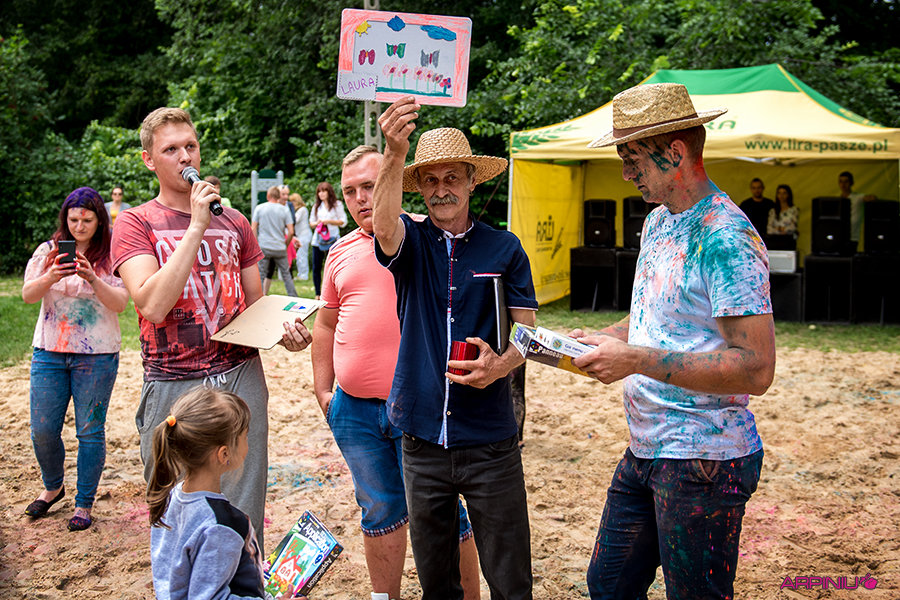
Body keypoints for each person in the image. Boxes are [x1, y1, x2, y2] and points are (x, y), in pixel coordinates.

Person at [576, 83, 775, 599]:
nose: (626, 173)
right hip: (647, 447)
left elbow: (756, 368)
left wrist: (634, 359)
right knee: (608, 586)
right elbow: (655, 319)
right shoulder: (659, 221)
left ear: (677, 152)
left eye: (632, 159)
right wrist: (598, 339)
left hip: (704, 457)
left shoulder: (727, 237)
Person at [111, 107, 311, 548]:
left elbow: (256, 306)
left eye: (191, 146)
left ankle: (243, 577)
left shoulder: (235, 221)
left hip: (240, 373)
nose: (185, 156)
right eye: (171, 149)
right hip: (172, 380)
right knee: (171, 503)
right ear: (149, 160)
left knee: (243, 498)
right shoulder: (134, 222)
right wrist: (197, 225)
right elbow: (153, 305)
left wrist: (286, 332)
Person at [374, 98, 539, 599]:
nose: (441, 189)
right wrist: (393, 153)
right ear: (420, 188)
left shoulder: (505, 248)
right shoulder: (411, 241)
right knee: (436, 582)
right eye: (430, 180)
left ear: (471, 182)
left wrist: (501, 366)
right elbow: (383, 227)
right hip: (422, 435)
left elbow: (528, 332)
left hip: (490, 438)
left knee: (510, 579)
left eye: (452, 178)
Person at [313, 145, 481, 600]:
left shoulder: (428, 236)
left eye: (370, 186)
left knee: (444, 512)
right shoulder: (339, 251)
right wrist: (324, 390)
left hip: (421, 407)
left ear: (393, 183)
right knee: (378, 510)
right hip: (354, 409)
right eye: (350, 191)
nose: (360, 199)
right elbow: (326, 322)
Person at [22, 186, 130, 531]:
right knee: (42, 430)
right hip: (49, 351)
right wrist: (51, 275)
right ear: (64, 219)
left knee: (89, 431)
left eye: (87, 220)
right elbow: (27, 295)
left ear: (100, 221)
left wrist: (92, 277)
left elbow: (121, 303)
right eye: (73, 220)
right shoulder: (48, 251)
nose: (79, 227)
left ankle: (84, 502)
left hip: (97, 354)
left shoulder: (112, 253)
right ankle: (53, 486)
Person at [147, 387, 305, 599]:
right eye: (244, 436)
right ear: (224, 454)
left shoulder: (170, 498)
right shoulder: (221, 526)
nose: (248, 442)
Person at [252, 185, 297, 297]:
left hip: (264, 246)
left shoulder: (259, 208)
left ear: (268, 196)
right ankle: (293, 297)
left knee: (261, 274)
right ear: (278, 196)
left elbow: (253, 228)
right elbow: (291, 231)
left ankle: (259, 298)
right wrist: (286, 244)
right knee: (286, 275)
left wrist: (256, 245)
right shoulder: (284, 210)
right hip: (280, 247)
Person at [308, 181, 346, 299]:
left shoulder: (337, 205)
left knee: (333, 266)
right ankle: (318, 293)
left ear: (329, 192)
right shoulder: (316, 206)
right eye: (319, 191)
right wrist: (318, 223)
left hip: (333, 240)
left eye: (324, 191)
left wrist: (328, 221)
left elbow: (343, 222)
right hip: (318, 240)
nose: (321, 194)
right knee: (316, 267)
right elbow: (311, 223)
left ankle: (335, 292)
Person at [838, 171, 877, 244]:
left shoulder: (858, 197)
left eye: (846, 182)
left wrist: (870, 198)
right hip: (840, 236)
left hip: (853, 237)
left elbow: (873, 198)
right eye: (841, 182)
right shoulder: (838, 200)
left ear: (851, 183)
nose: (843, 185)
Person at [290, 193, 311, 281]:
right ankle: (300, 274)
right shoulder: (299, 210)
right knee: (299, 255)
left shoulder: (302, 209)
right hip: (300, 235)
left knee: (302, 255)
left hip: (304, 235)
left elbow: (295, 219)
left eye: (293, 201)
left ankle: (304, 275)